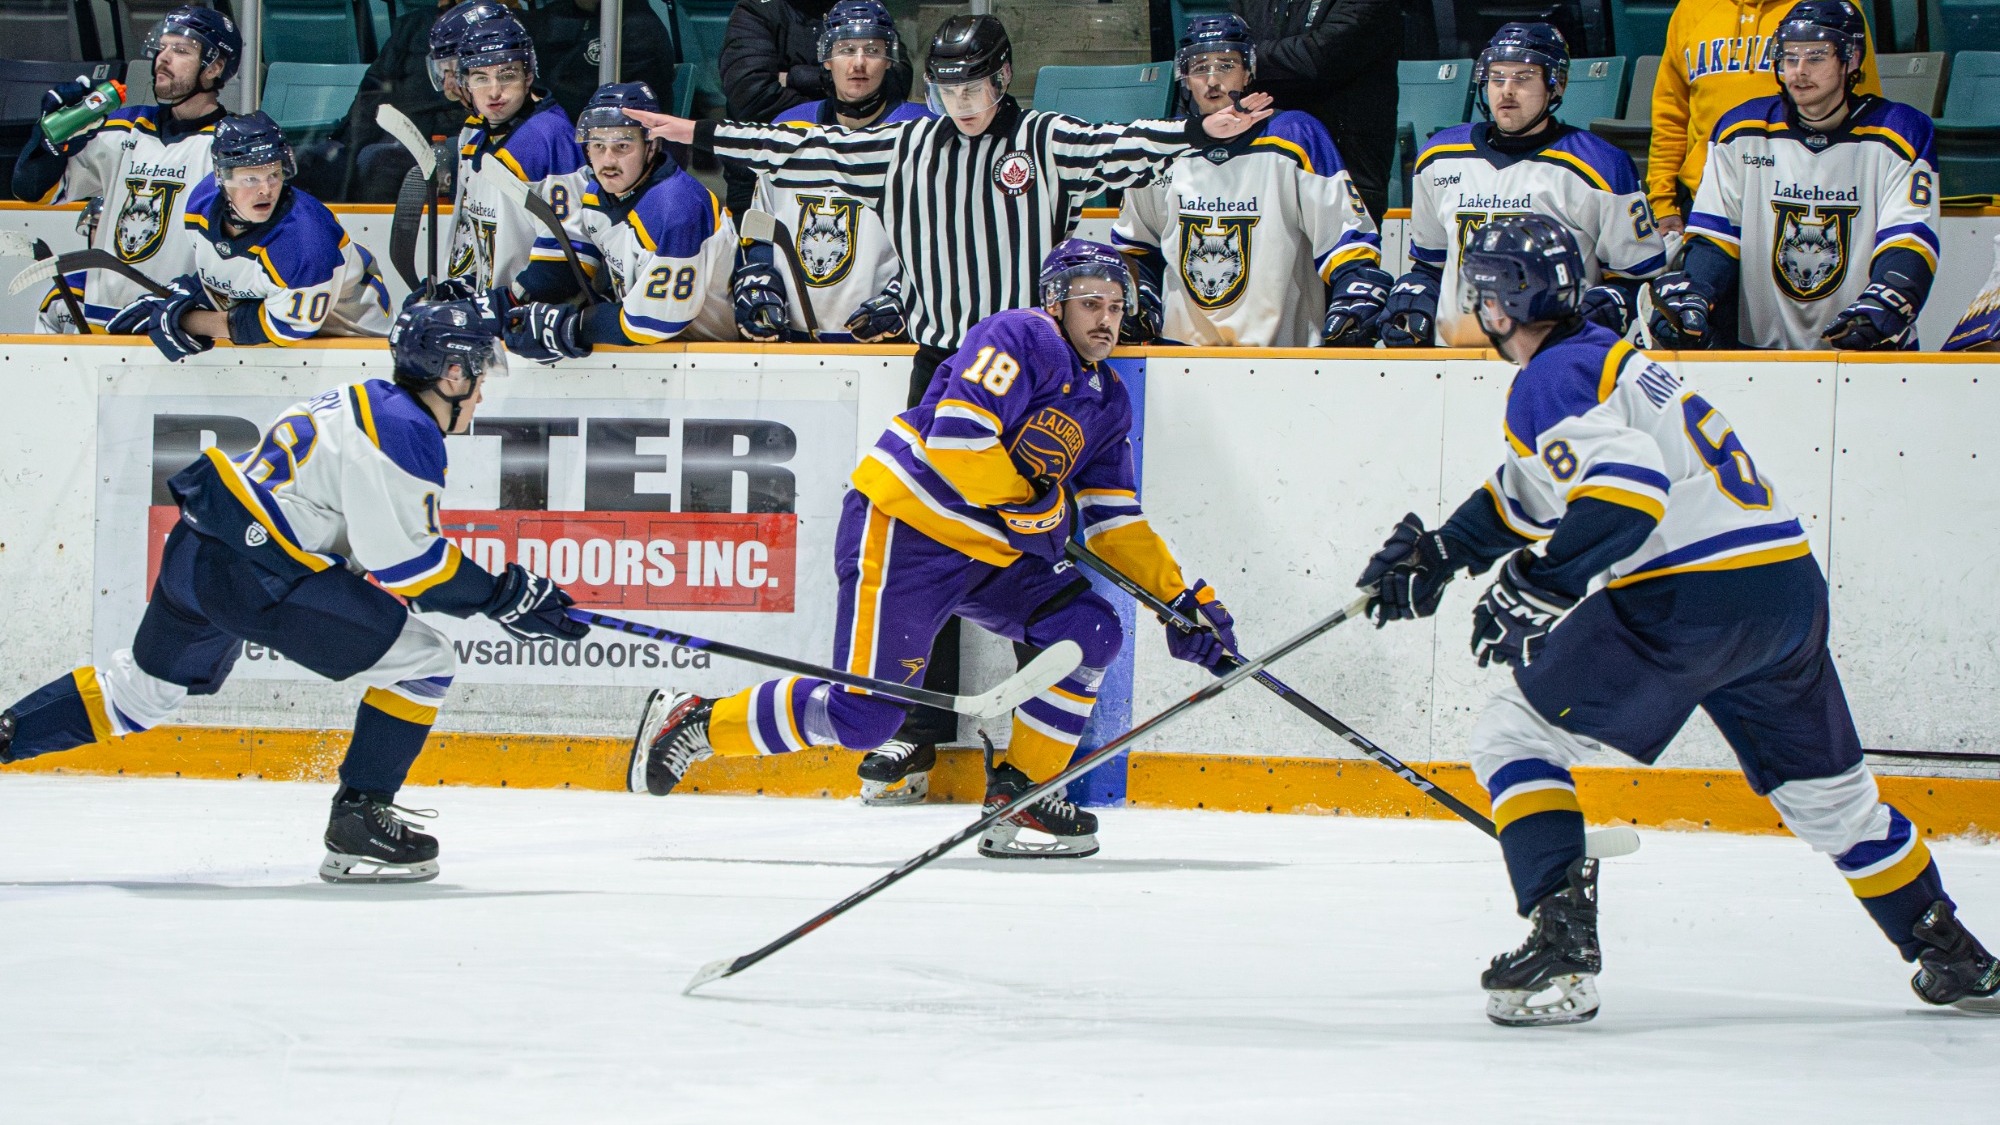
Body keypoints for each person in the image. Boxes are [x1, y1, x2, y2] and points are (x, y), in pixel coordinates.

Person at [1354, 213, 1997, 1025]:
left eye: (1480, 290)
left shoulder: (1548, 378)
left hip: (1691, 596)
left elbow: (1628, 487)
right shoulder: (1606, 363)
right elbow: (1538, 491)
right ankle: (1951, 951)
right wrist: (1445, 552)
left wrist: (1544, 584)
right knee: (1832, 800)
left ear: (1502, 303)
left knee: (1514, 733)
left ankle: (1559, 949)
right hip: (1785, 592)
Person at [622, 15, 1272, 802]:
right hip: (953, 364)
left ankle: (1024, 791)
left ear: (1004, 79)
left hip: (1039, 358)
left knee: (1073, 612)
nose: (962, 103)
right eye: (948, 89)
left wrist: (1202, 131)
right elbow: (801, 151)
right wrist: (701, 131)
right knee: (938, 556)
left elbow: (1122, 145)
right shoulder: (907, 146)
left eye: (976, 86)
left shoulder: (1047, 146)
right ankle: (898, 731)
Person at [627, 241, 1240, 859]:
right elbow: (960, 438)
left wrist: (1180, 601)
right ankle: (699, 722)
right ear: (1056, 302)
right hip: (904, 533)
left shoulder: (1107, 400)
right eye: (1090, 303)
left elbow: (1115, 522)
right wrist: (1038, 508)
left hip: (989, 559)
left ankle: (1023, 794)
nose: (1106, 319)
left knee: (1092, 628)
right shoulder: (1020, 336)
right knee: (864, 721)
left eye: (1115, 305)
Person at [0, 300, 589, 883]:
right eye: (480, 374)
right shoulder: (407, 431)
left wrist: (490, 594)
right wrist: (503, 593)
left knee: (139, 695)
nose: (483, 392)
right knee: (426, 662)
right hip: (258, 574)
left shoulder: (360, 401)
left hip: (200, 547)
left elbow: (367, 543)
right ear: (452, 373)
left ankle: (8, 734)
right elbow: (408, 563)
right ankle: (361, 817)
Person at [1647, 1, 1938, 352]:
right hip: (1762, 351)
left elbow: (1909, 237)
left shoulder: (1900, 133)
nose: (1799, 71)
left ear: (1853, 59)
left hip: (1867, 351)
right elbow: (1716, 239)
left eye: (1815, 58)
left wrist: (1889, 299)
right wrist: (1695, 293)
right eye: (1789, 57)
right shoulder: (1740, 131)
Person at [1376, 23, 1666, 348]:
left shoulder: (1601, 165)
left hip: (1556, 360)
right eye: (1497, 78)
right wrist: (1416, 299)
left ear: (1558, 85)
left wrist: (1602, 310)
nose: (1507, 90)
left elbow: (1638, 279)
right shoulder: (1439, 157)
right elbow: (1431, 267)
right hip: (1457, 361)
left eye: (1523, 78)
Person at [1111, 14, 1386, 348]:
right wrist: (1141, 296)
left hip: (1282, 357)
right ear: (1185, 78)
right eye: (1199, 68)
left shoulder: (1295, 137)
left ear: (1249, 71)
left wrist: (1353, 295)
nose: (1212, 81)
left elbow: (1347, 242)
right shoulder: (1163, 147)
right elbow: (1136, 250)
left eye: (1225, 65)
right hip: (1179, 356)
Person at [10, 5, 240, 331]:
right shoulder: (123, 127)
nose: (163, 58)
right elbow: (33, 191)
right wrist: (47, 140)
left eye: (181, 50)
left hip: (181, 331)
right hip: (102, 324)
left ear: (215, 66)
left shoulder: (232, 146)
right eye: (162, 48)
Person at [105, 113, 392, 361]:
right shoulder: (200, 206)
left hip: (355, 342)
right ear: (221, 177)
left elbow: (280, 330)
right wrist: (183, 294)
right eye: (250, 179)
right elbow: (228, 275)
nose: (266, 189)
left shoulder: (305, 244)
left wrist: (191, 321)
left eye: (274, 175)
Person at [734, 0, 933, 348]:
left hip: (890, 346)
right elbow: (761, 231)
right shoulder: (789, 130)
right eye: (846, 49)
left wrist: (907, 294)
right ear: (826, 59)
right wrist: (760, 280)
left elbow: (945, 241)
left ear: (890, 60)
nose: (859, 63)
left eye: (873, 50)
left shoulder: (922, 133)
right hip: (794, 343)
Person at [497, 81, 736, 359]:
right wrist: (508, 302)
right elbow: (574, 259)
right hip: (656, 356)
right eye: (598, 145)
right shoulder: (598, 192)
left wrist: (570, 325)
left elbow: (653, 323)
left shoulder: (677, 209)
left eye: (622, 146)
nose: (608, 161)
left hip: (716, 359)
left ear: (651, 145)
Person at [1649, 0, 1882, 239]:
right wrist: (1663, 203)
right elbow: (1670, 117)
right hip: (1709, 205)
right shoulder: (1692, 9)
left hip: (1805, 206)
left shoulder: (1835, 8)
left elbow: (1861, 114)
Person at [437, 11, 591, 294]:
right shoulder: (479, 133)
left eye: (507, 76)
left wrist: (509, 302)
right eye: (481, 78)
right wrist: (460, 289)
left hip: (537, 315)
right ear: (466, 82)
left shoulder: (548, 136)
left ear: (528, 76)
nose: (495, 92)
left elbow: (572, 255)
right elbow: (487, 243)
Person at [716, 0, 914, 218]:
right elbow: (752, 98)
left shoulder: (863, 7)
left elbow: (897, 81)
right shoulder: (756, 9)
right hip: (769, 182)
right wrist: (840, 97)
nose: (858, 64)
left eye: (869, 51)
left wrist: (795, 77)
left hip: (860, 179)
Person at [1230, 0, 1401, 224]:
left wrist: (1242, 59)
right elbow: (1228, 45)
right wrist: (1238, 58)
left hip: (1344, 171)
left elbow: (1319, 56)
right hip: (1263, 171)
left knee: (1348, 258)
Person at [524, 0, 678, 123]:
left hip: (608, 141)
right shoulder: (557, 13)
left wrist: (539, 99)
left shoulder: (639, 27)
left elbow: (594, 107)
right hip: (552, 125)